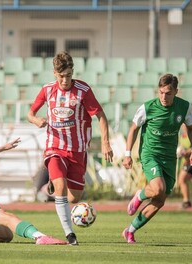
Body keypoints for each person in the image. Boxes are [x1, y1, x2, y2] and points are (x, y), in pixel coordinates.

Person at [27, 51, 113, 245]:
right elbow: (30, 113)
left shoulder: (83, 90)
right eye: (61, 76)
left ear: (72, 71)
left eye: (68, 75)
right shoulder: (48, 90)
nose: (65, 80)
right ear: (54, 73)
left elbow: (101, 116)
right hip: (54, 147)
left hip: (77, 150)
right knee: (61, 186)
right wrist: (35, 120)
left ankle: (49, 187)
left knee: (74, 197)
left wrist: (106, 143)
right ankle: (70, 234)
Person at [122, 73, 192, 244]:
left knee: (160, 199)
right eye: (161, 92)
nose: (164, 97)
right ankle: (139, 195)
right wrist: (127, 154)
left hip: (169, 157)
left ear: (176, 92)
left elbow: (191, 128)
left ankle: (130, 230)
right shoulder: (148, 107)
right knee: (157, 189)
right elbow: (133, 129)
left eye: (168, 93)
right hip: (150, 154)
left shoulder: (184, 107)